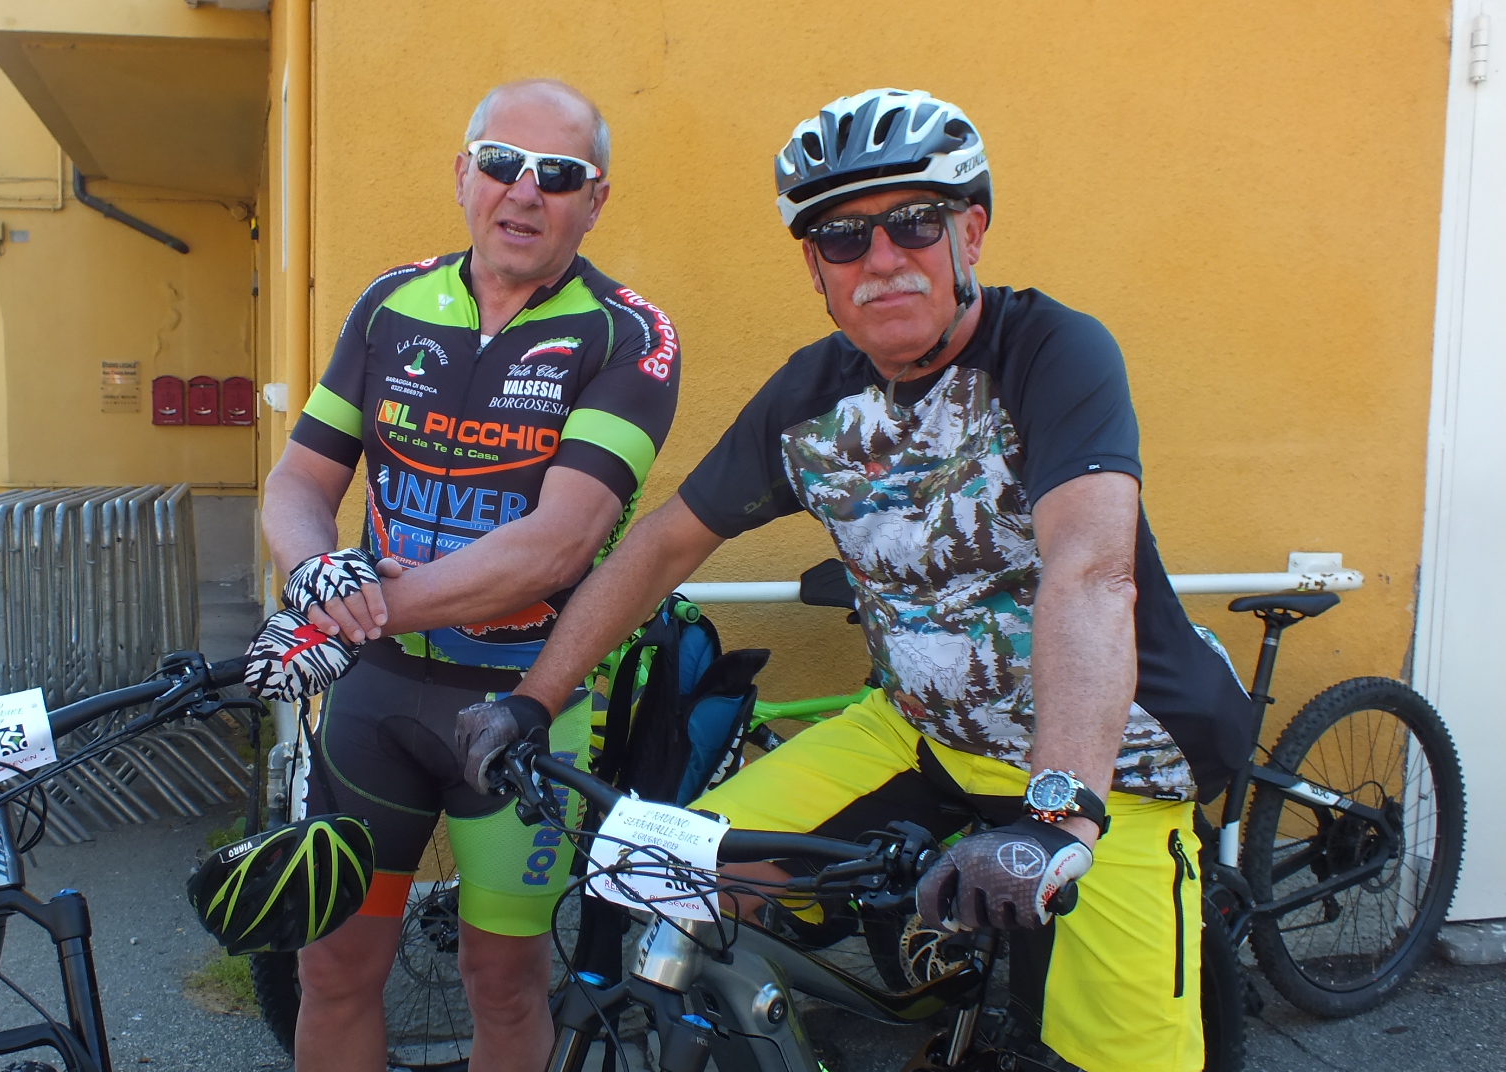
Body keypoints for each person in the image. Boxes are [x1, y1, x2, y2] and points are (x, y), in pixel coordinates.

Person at [453, 88, 1255, 1072]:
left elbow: (1089, 573)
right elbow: (662, 544)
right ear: (814, 268)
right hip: (920, 735)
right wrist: (533, 701)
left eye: (912, 223)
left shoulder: (1051, 352)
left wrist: (1058, 816)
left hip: (1109, 767)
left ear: (970, 232)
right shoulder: (811, 398)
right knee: (666, 868)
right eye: (842, 237)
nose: (879, 258)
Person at [249, 78, 681, 1072]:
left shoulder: (627, 334)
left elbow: (556, 545)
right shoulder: (389, 305)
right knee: (333, 970)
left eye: (558, 174)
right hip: (374, 700)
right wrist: (317, 572)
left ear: (595, 200)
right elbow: (299, 482)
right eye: (501, 163)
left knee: (503, 981)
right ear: (462, 175)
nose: (525, 191)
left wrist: (352, 611)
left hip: (521, 704)